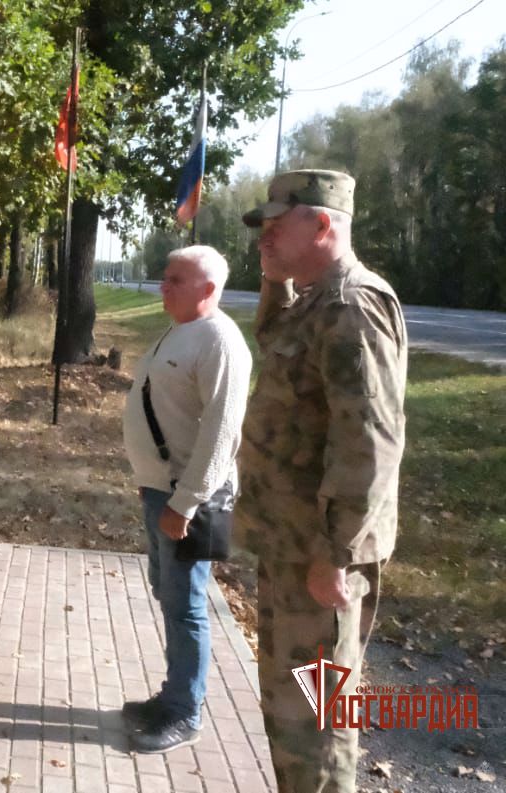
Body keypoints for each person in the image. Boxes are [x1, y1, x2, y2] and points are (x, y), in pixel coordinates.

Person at [237, 169, 407, 793]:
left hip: (322, 554)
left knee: (320, 722)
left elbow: (370, 440)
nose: (264, 236)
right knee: (290, 714)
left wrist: (337, 552)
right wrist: (274, 278)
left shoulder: (353, 306)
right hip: (292, 545)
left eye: (277, 224)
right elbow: (279, 343)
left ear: (323, 225)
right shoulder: (314, 300)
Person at [121, 245, 252, 753]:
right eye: (166, 277)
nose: (164, 286)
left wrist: (186, 502)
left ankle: (184, 713)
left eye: (176, 279)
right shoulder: (179, 330)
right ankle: (173, 695)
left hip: (188, 499)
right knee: (169, 594)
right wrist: (150, 479)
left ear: (208, 289)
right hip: (163, 490)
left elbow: (221, 435)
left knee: (187, 606)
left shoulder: (220, 341)